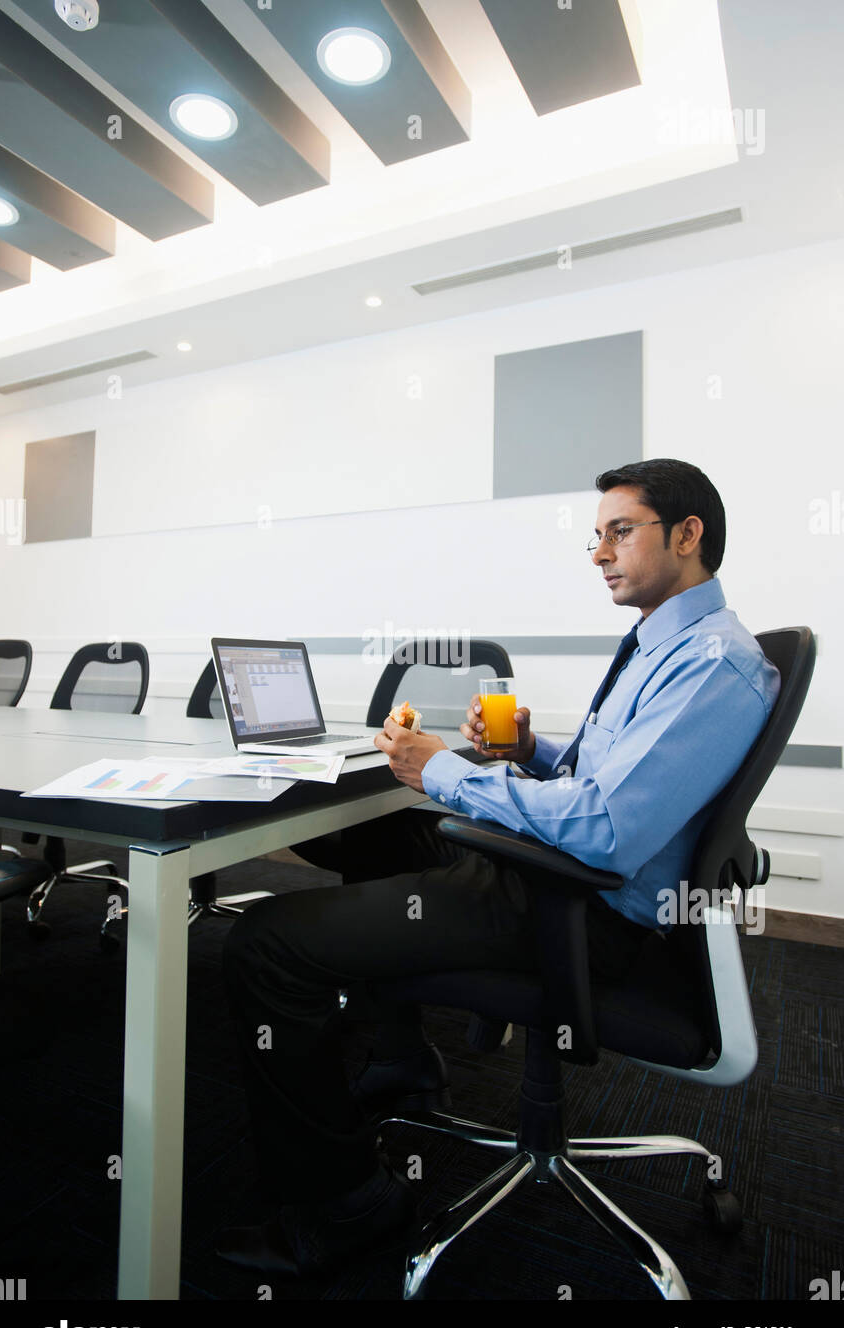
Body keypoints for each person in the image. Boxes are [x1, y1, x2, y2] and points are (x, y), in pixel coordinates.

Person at [216, 458, 780, 1279]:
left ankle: (345, 1203)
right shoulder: (672, 643)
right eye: (596, 536)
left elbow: (607, 829)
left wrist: (442, 770)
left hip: (588, 911)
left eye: (619, 531)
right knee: (383, 846)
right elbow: (605, 779)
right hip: (567, 879)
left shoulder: (708, 663)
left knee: (267, 941)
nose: (598, 553)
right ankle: (405, 1060)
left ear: (687, 535)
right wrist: (527, 751)